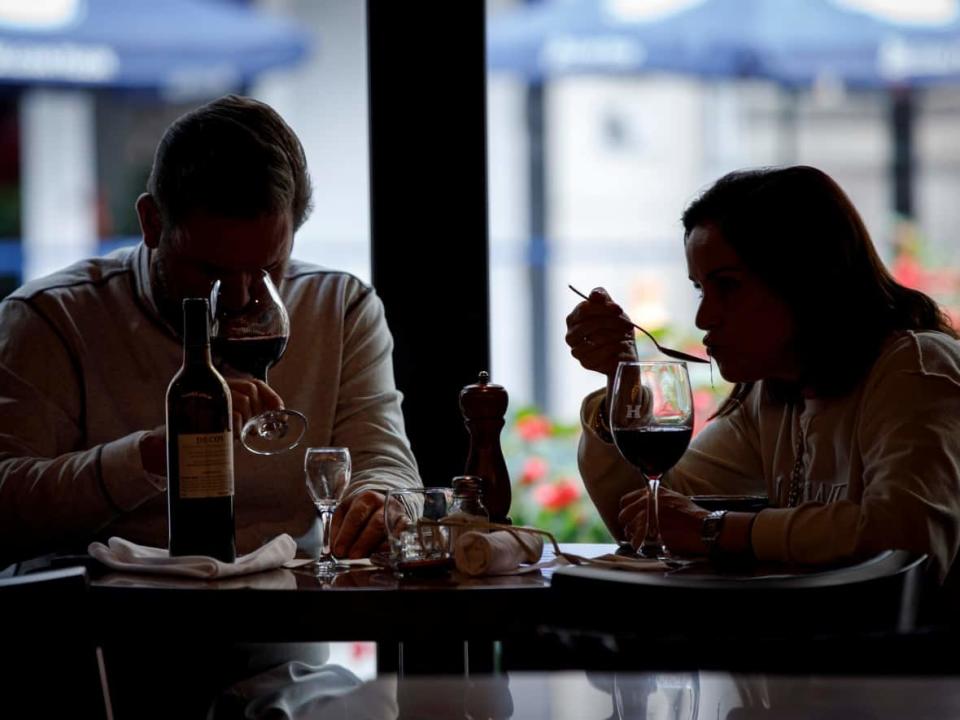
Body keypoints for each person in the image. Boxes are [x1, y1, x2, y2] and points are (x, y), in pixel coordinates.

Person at [0, 94, 421, 567]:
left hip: (283, 622)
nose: (240, 299)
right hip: (98, 625)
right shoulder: (52, 319)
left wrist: (381, 501)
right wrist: (152, 456)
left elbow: (384, 462)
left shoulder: (341, 309)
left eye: (267, 269)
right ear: (152, 223)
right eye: (210, 272)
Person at [566, 165, 960, 581]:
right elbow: (658, 516)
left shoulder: (916, 368)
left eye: (728, 286)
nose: (703, 318)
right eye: (700, 288)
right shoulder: (773, 393)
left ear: (805, 278)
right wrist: (621, 379)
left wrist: (714, 529)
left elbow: (907, 537)